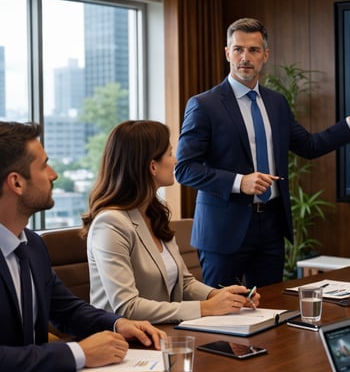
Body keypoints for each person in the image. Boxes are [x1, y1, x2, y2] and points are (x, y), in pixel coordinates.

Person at [0, 121, 165, 372]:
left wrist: (118, 323)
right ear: (16, 182)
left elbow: (67, 310)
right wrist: (77, 353)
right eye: (43, 165)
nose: (53, 175)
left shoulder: (31, 244)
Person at [175, 17, 350, 288]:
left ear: (265, 55)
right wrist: (239, 182)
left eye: (253, 50)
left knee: (270, 310)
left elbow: (308, 146)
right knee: (219, 316)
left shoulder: (276, 102)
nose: (245, 57)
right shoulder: (204, 105)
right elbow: (184, 169)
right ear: (227, 53)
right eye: (238, 49)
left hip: (271, 225)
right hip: (223, 231)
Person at [82, 120, 261, 324]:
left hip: (165, 333)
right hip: (124, 344)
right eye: (169, 154)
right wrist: (205, 308)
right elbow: (127, 307)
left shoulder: (153, 213)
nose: (176, 161)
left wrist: (220, 297)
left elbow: (183, 283)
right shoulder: (110, 224)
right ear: (152, 166)